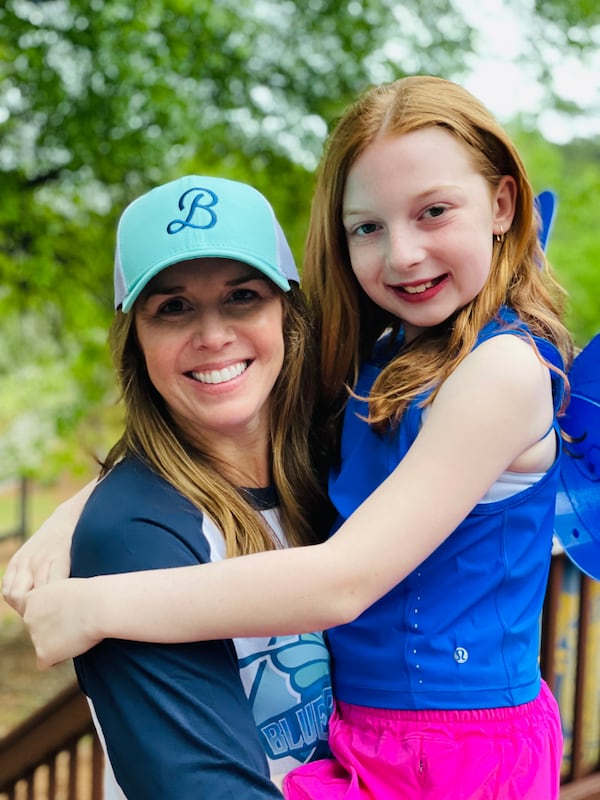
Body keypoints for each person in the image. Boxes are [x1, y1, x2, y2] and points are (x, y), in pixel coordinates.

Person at [4, 76, 574, 798]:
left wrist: (94, 606)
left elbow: (344, 581)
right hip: (373, 741)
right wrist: (79, 510)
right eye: (367, 227)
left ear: (501, 204)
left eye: (433, 212)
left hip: (451, 752)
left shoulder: (499, 371)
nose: (402, 255)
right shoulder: (387, 363)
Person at [4, 175, 334, 799]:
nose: (213, 336)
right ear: (137, 339)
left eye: (242, 296)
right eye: (173, 307)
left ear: (287, 313)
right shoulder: (133, 538)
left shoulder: (336, 467)